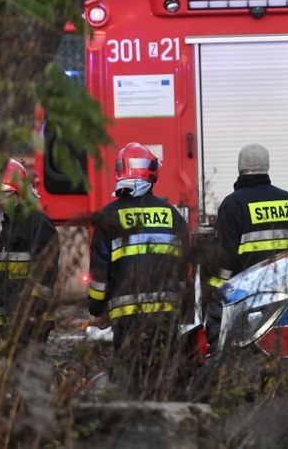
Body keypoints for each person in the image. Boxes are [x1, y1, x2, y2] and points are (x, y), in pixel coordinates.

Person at [87, 142, 190, 394]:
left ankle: (133, 422)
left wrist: (97, 309)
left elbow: (99, 276)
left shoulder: (109, 216)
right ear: (153, 173)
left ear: (119, 171)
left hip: (127, 316)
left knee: (129, 377)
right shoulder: (172, 215)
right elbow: (182, 271)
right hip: (166, 314)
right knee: (162, 374)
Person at [0, 157, 60, 344]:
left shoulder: (37, 223)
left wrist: (31, 312)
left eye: (5, 194)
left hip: (31, 320)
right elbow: (13, 272)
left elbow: (47, 269)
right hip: (10, 319)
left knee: (29, 369)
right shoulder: (9, 227)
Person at [208, 143, 288, 290]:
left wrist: (215, 290)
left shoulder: (232, 204)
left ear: (240, 167)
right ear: (267, 165)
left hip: (246, 292)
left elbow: (226, 254)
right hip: (285, 287)